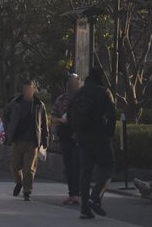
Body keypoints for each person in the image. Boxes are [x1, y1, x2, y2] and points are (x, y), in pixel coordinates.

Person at [69, 66, 117, 220]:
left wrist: (75, 131)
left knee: (85, 172)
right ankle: (95, 197)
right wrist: (109, 133)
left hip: (82, 137)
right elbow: (112, 115)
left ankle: (84, 209)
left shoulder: (80, 92)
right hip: (99, 136)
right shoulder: (104, 92)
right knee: (108, 167)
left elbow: (69, 112)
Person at [4, 77, 49, 202]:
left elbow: (44, 124)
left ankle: (27, 191)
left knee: (29, 168)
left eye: (30, 88)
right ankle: (19, 182)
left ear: (34, 89)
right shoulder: (15, 103)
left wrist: (45, 140)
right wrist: (8, 130)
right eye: (25, 89)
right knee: (15, 166)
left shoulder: (39, 105)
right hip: (18, 139)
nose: (28, 91)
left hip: (32, 141)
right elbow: (5, 115)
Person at [51, 73, 81, 206]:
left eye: (75, 81)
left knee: (77, 164)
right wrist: (61, 120)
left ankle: (78, 193)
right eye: (70, 81)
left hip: (79, 136)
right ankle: (72, 193)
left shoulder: (83, 98)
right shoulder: (61, 99)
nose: (73, 84)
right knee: (68, 166)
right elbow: (52, 118)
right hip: (65, 136)